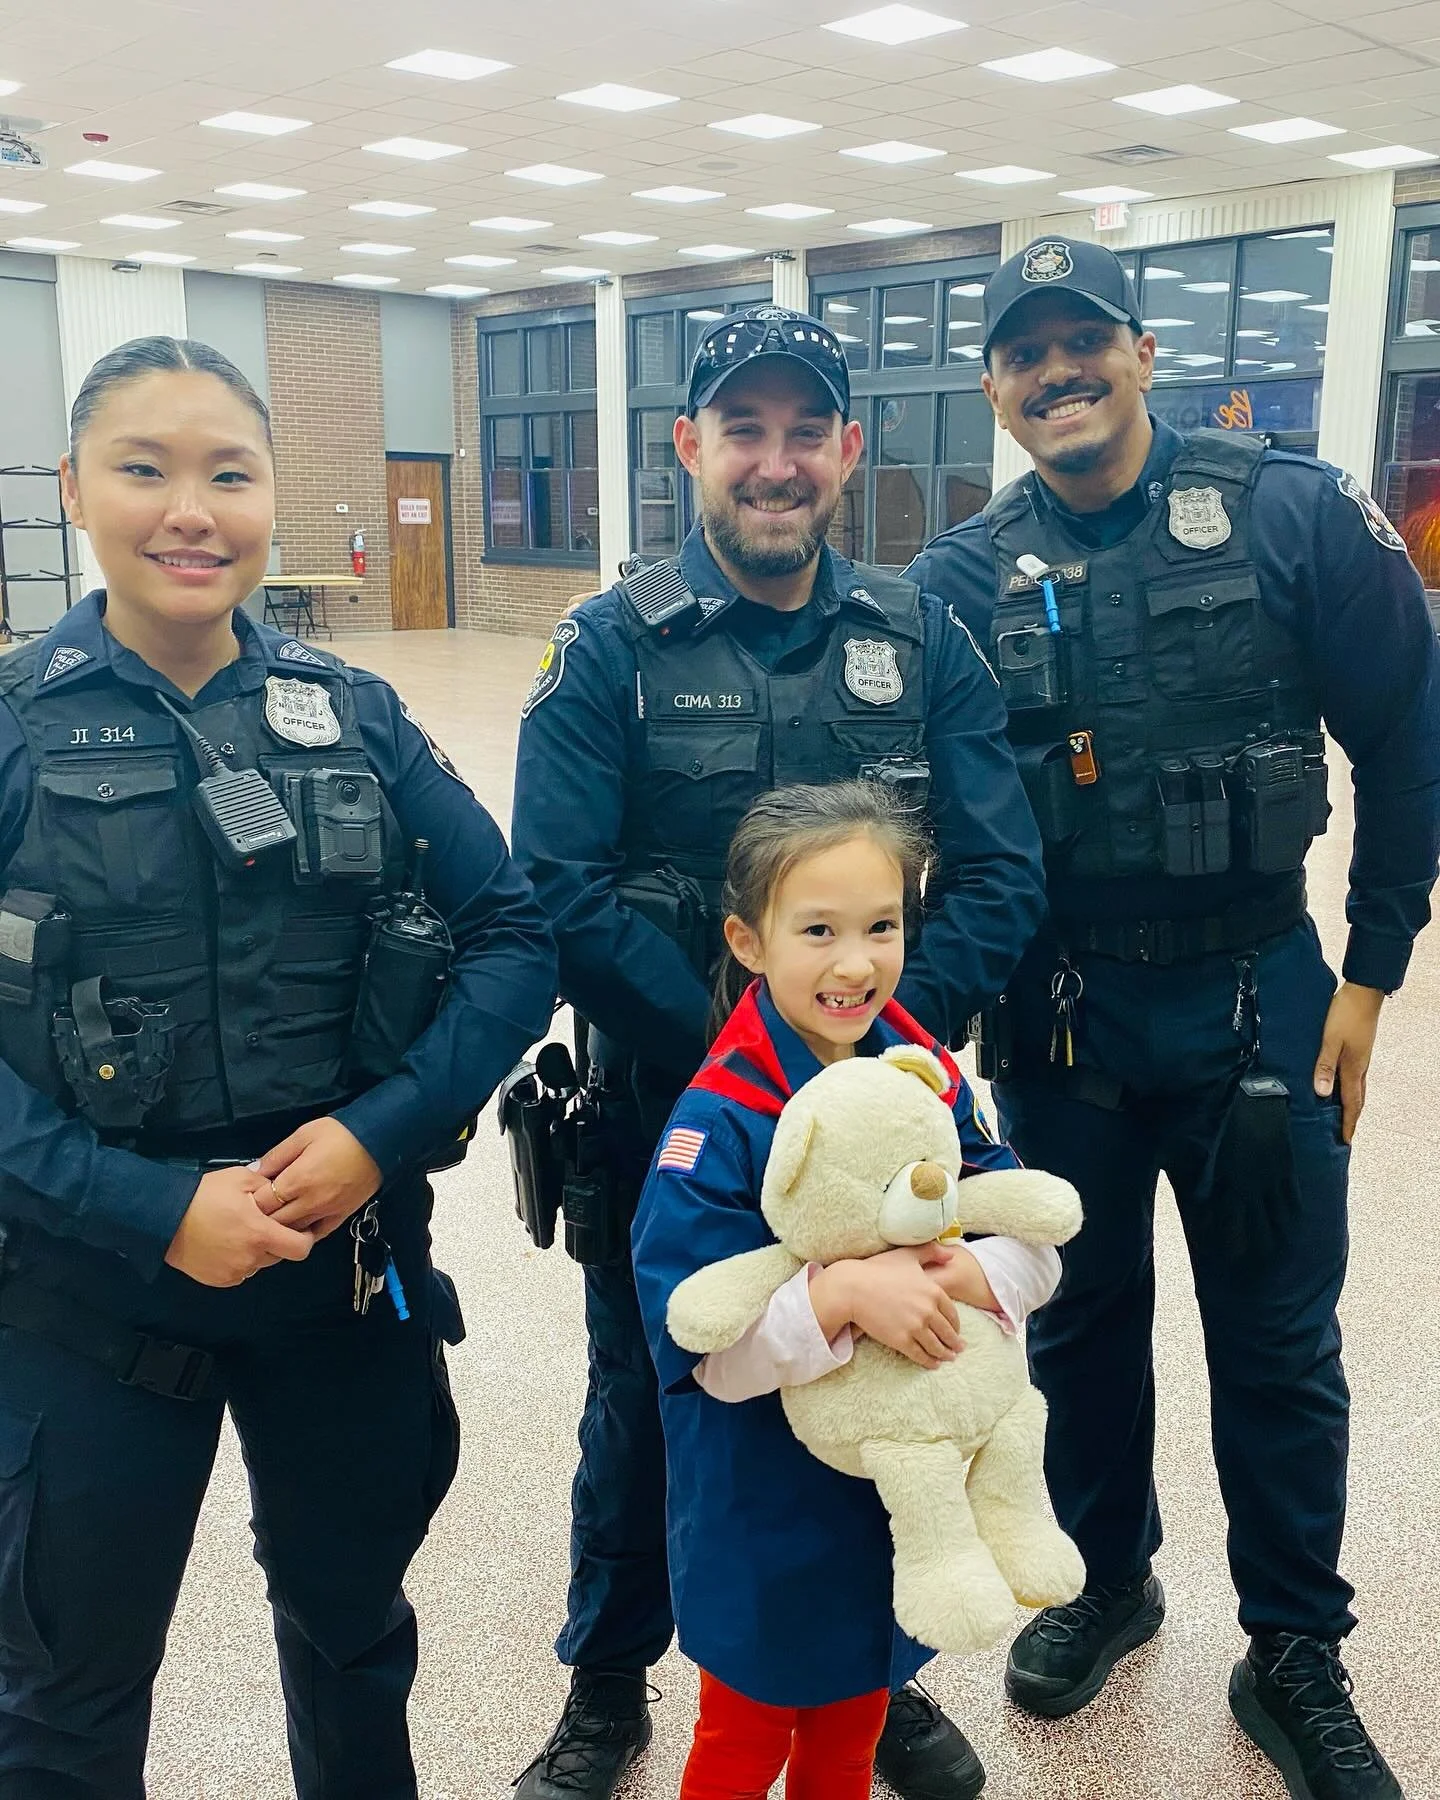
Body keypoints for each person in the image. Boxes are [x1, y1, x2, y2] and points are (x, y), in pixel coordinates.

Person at [908, 237, 1440, 1800]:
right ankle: (1108, 1583)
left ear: (1141, 351)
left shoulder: (1290, 511)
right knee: (1079, 1322)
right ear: (995, 388)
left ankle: (1294, 1648)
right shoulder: (957, 578)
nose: (1057, 372)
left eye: (1085, 341)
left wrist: (1371, 973)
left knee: (1278, 1339)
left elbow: (1412, 737)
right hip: (1058, 1013)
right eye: (1024, 353)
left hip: (1259, 1001)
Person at [0, 335, 556, 1800]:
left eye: (228, 473)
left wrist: (383, 1132)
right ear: (72, 489)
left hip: (341, 1278)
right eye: (143, 467)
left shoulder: (354, 715)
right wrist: (150, 1207)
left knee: (353, 1633)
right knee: (66, 1694)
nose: (191, 508)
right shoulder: (13, 723)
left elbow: (513, 932)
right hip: (87, 1292)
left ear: (269, 501)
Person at [509, 303, 1046, 1800]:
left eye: (806, 430)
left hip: (895, 1127)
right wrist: (755, 1058)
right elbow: (554, 884)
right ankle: (609, 1683)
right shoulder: (608, 646)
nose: (776, 460)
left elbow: (998, 876)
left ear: (849, 452)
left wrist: (870, 1061)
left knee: (892, 1369)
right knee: (654, 1394)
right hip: (678, 1109)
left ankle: (872, 1672)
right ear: (691, 448)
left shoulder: (916, 636)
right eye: (744, 429)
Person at [632, 779, 1062, 1800]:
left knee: (854, 1729)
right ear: (748, 940)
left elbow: (1034, 1243)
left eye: (883, 926)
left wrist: (967, 1269)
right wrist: (840, 1300)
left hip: (899, 1509)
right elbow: (701, 1351)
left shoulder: (924, 1079)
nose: (856, 963)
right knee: (743, 1742)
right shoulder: (719, 1125)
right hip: (766, 1517)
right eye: (817, 930)